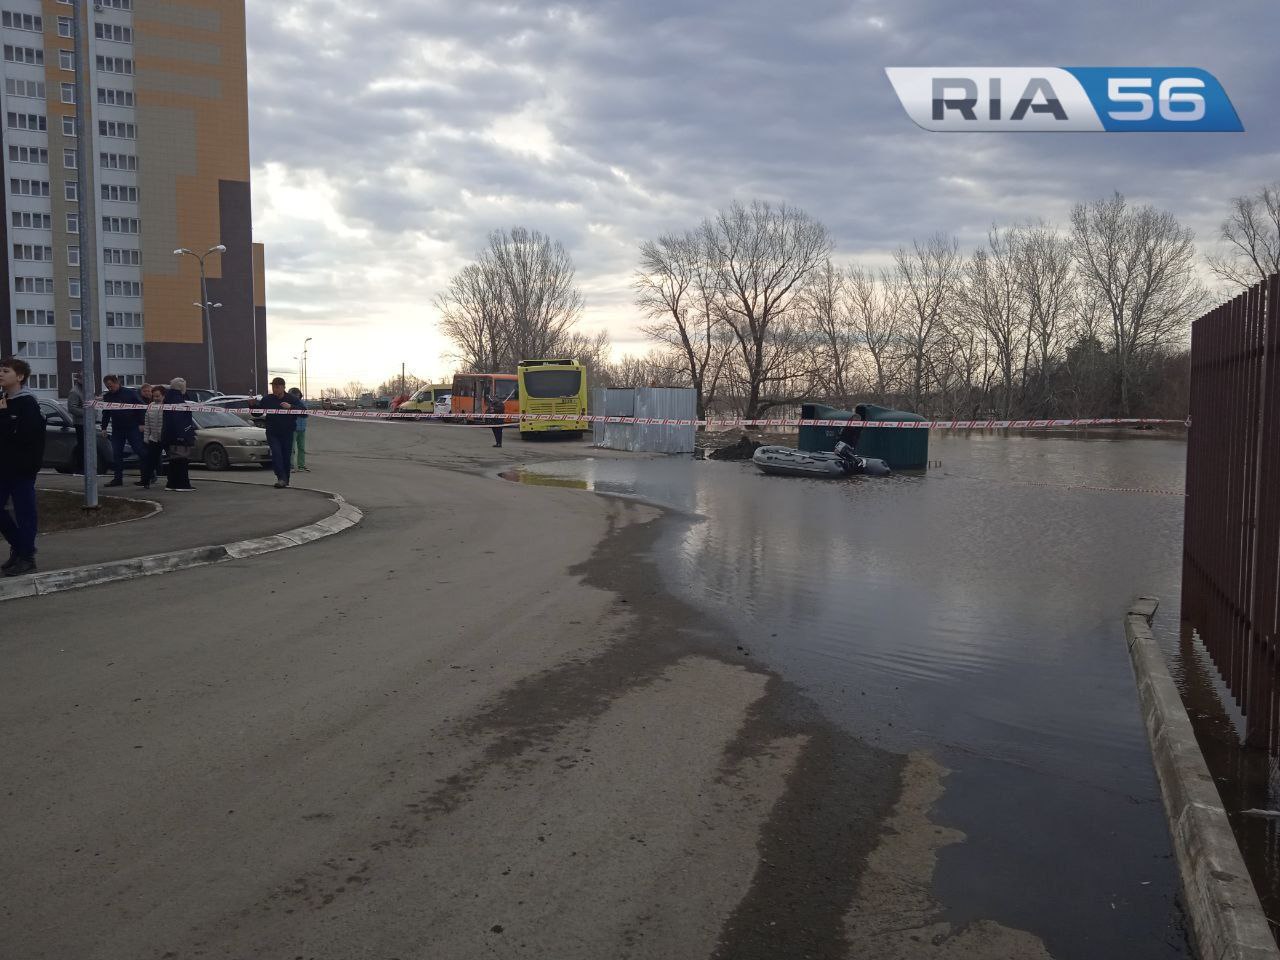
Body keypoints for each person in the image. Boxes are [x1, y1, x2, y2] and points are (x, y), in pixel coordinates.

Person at [0, 357, 45, 576]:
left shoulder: (28, 403)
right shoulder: (3, 400)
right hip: (3, 466)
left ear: (19, 377)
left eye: (5, 371)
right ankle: (20, 547)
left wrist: (30, 466)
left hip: (22, 468)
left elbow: (31, 437)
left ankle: (26, 557)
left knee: (25, 511)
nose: (1, 374)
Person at [100, 374, 146, 487]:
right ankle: (117, 479)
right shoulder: (108, 397)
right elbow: (106, 413)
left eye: (111, 386)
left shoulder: (130, 393)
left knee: (140, 451)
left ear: (117, 382)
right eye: (107, 387)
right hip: (117, 429)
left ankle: (147, 476)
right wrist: (104, 427)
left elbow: (141, 408)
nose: (110, 389)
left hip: (133, 427)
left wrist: (142, 423)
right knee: (116, 453)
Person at [251, 377, 297, 488]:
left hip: (287, 432)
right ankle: (281, 478)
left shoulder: (291, 398)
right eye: (273, 387)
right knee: (277, 455)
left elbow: (304, 412)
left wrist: (291, 407)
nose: (275, 389)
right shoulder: (268, 399)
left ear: (283, 387)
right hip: (272, 432)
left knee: (286, 456)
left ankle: (286, 479)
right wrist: (252, 405)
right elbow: (257, 413)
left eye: (277, 387)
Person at [161, 377, 196, 492]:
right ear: (182, 387)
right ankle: (182, 484)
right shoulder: (178, 400)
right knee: (182, 460)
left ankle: (171, 483)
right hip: (179, 435)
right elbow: (179, 419)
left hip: (170, 434)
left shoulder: (169, 398)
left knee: (174, 460)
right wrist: (183, 434)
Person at [138, 385, 166, 489]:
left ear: (163, 396)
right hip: (153, 438)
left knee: (172, 459)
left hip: (165, 438)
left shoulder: (168, 406)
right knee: (150, 461)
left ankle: (171, 481)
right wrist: (146, 438)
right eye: (154, 396)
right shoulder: (150, 406)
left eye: (158, 396)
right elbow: (147, 424)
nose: (156, 398)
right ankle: (146, 481)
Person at [67, 371, 86, 472]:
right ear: (78, 380)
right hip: (81, 423)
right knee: (82, 446)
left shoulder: (86, 390)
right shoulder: (75, 392)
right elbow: (72, 408)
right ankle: (81, 468)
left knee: (86, 446)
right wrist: (87, 413)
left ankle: (85, 467)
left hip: (87, 423)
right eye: (84, 378)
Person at [287, 386, 310, 472]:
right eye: (294, 395)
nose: (296, 397)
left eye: (297, 395)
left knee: (302, 448)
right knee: (291, 448)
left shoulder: (303, 403)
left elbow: (306, 414)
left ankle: (301, 465)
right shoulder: (288, 404)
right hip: (292, 428)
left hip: (302, 429)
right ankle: (290, 466)